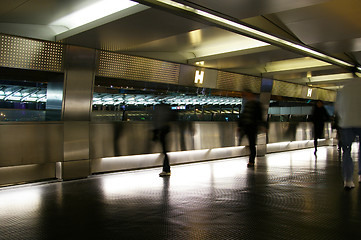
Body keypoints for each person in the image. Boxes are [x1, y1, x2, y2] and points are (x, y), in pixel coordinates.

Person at [335, 76, 361, 189]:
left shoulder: (344, 88)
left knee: (346, 151)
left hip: (346, 124)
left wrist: (342, 118)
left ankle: (348, 180)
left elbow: (337, 107)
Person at [238, 91, 266, 167]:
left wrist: (262, 125)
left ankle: (251, 161)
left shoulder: (256, 104)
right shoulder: (247, 104)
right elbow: (243, 116)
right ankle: (240, 143)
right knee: (251, 144)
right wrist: (240, 125)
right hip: (247, 126)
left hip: (252, 127)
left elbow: (259, 116)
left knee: (252, 144)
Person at [152, 103, 177, 177]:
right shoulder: (166, 107)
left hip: (162, 131)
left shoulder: (160, 107)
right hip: (164, 130)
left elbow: (158, 120)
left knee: (164, 151)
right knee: (164, 151)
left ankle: (166, 169)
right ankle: (166, 169)